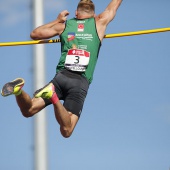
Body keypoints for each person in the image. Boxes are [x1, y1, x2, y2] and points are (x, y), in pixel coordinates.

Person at [1, 0, 122, 138]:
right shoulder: (99, 22)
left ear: (76, 13)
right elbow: (115, 5)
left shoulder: (64, 26)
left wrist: (57, 20)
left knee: (28, 110)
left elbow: (35, 34)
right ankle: (52, 96)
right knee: (66, 130)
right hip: (80, 82)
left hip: (60, 78)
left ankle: (18, 91)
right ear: (94, 14)